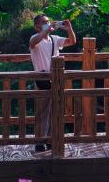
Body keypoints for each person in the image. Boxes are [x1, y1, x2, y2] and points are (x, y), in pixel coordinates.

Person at [29, 14, 76, 152]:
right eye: (44, 22)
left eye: (48, 21)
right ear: (37, 26)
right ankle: (39, 142)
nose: (48, 23)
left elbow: (72, 41)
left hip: (55, 79)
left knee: (54, 111)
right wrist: (46, 30)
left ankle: (50, 140)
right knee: (43, 112)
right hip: (41, 79)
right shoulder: (35, 38)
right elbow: (33, 43)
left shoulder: (55, 39)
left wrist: (69, 28)